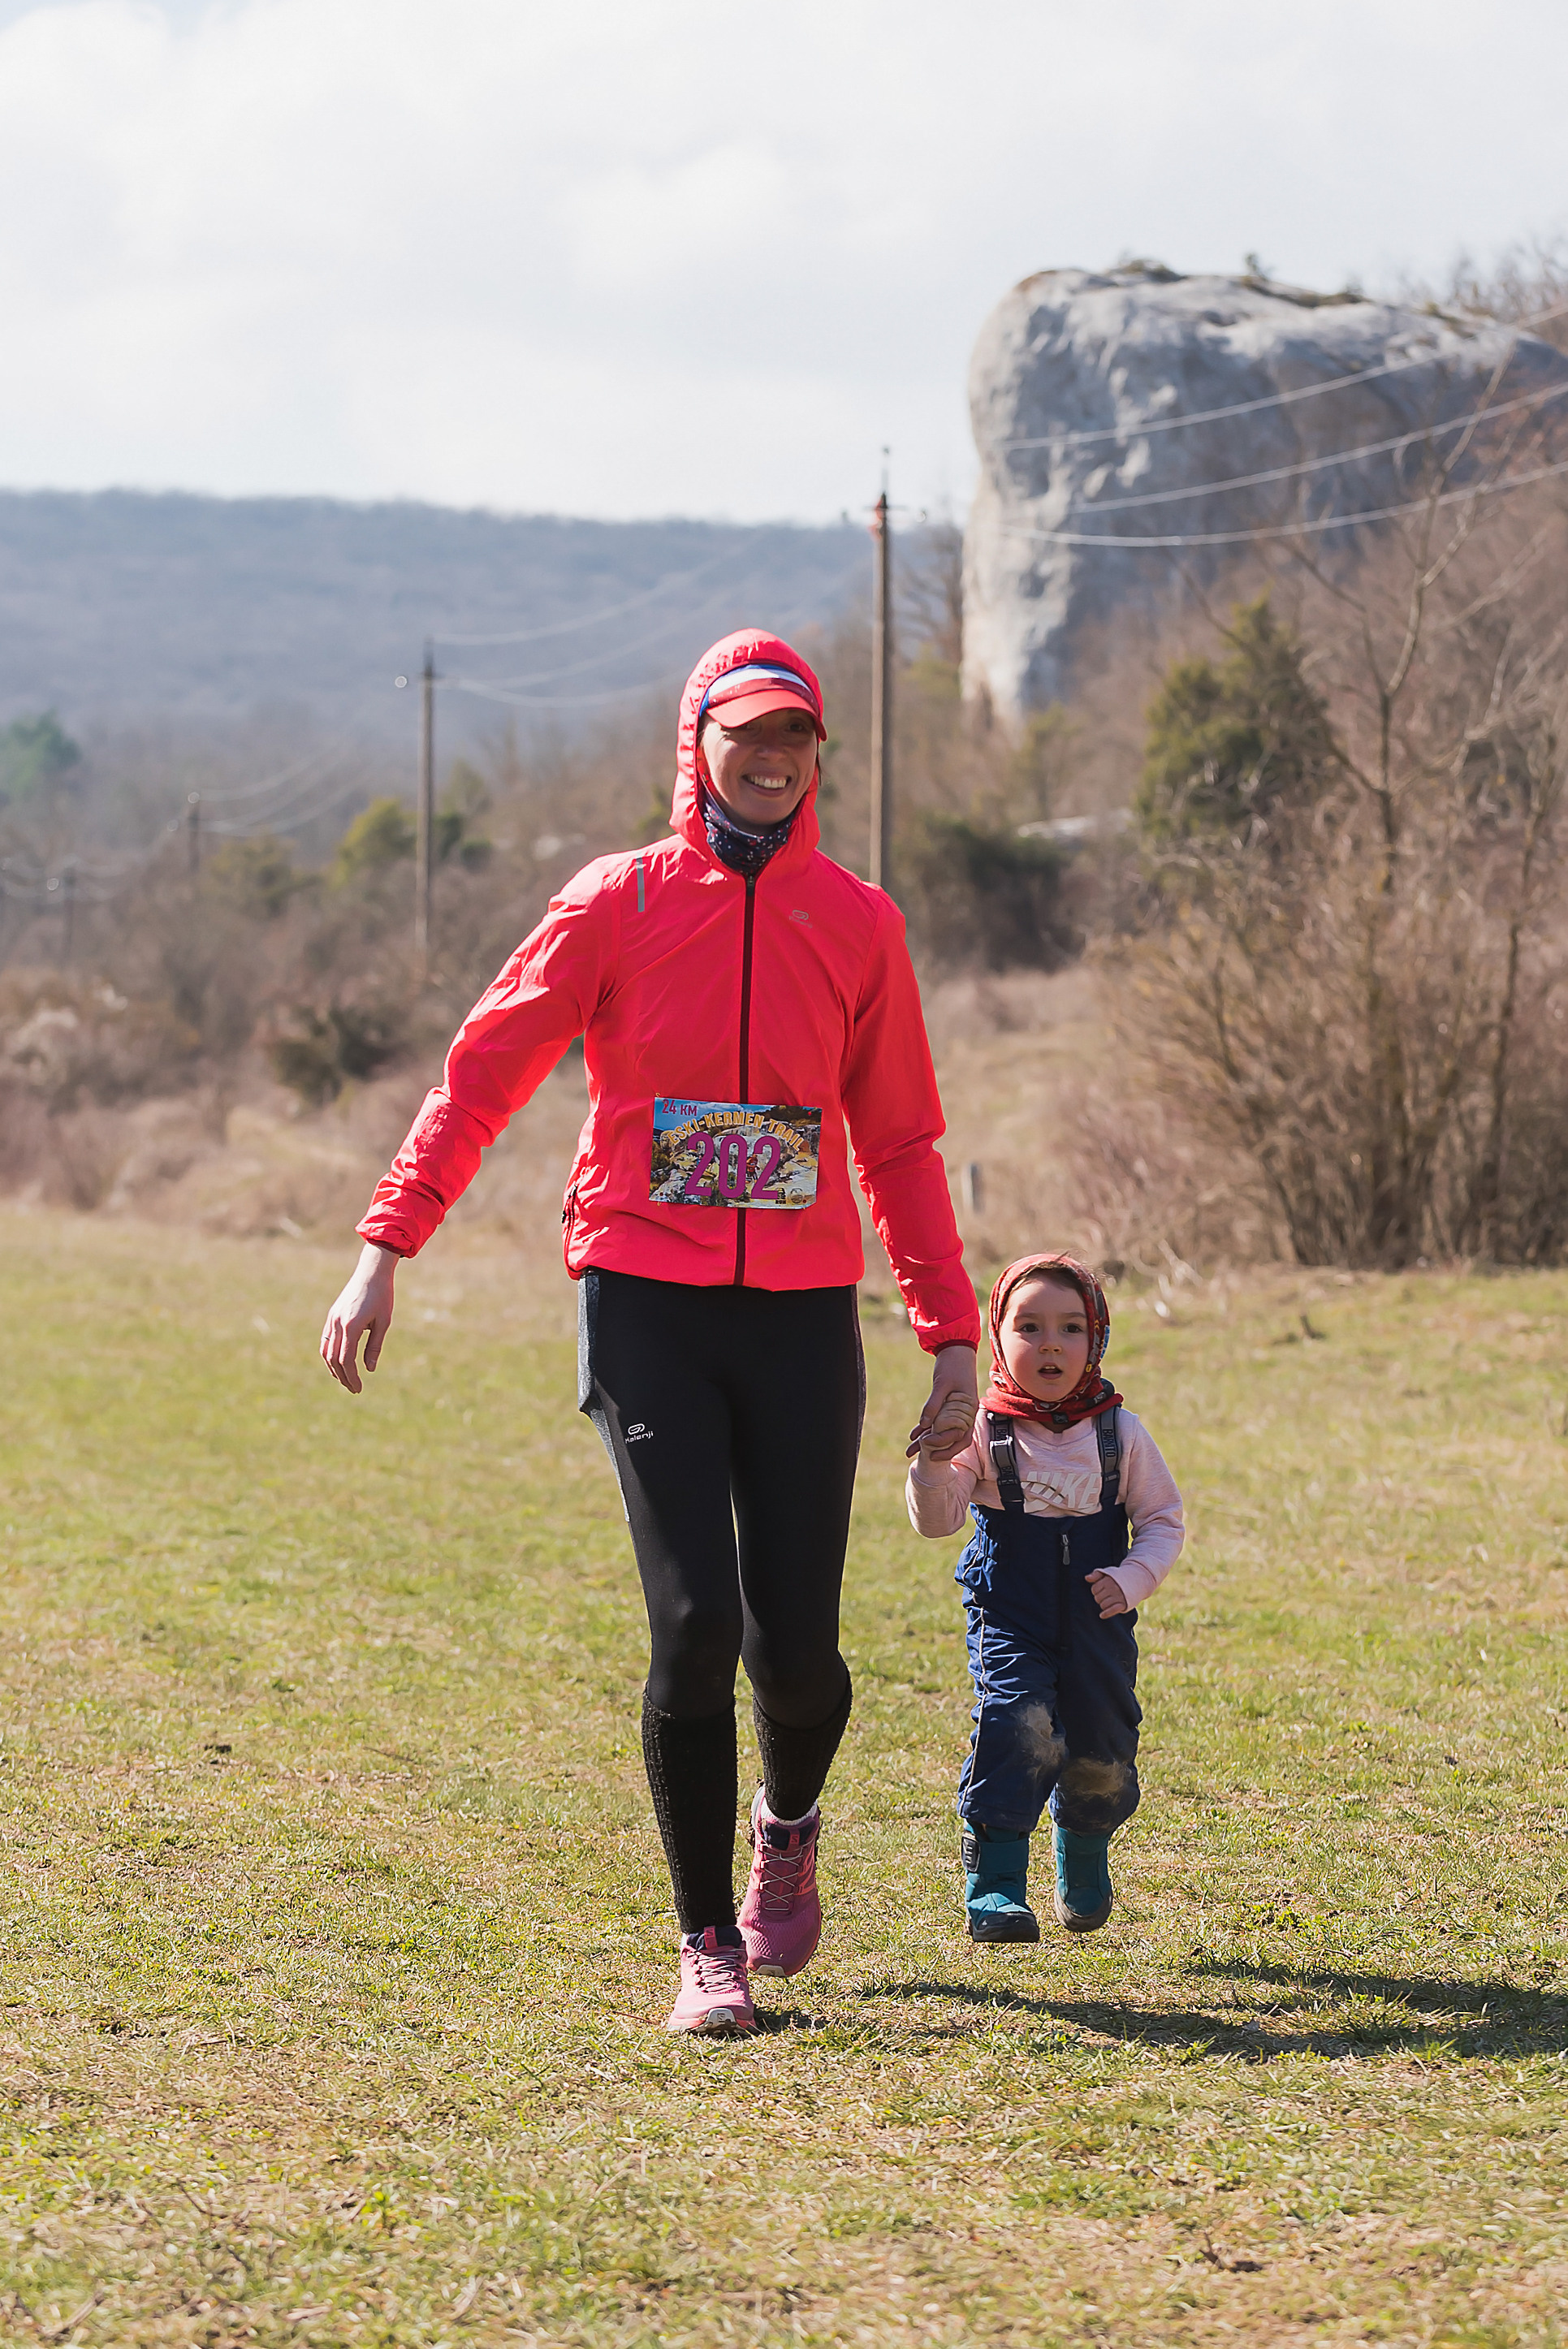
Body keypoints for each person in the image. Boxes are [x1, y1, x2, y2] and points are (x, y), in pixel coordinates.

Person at [321, 630, 980, 2034]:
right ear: (696, 744)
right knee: (696, 1622)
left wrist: (949, 1330)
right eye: (743, 732)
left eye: (793, 737)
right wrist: (386, 1245)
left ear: (816, 757)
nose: (769, 756)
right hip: (647, 1300)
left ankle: (786, 1819)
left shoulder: (859, 922)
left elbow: (904, 1138)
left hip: (802, 1316)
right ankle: (705, 1947)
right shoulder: (614, 902)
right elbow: (483, 1070)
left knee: (797, 1656)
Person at [905, 1253, 1183, 1942]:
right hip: (1009, 1606)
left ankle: (1082, 1852)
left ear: (1096, 1341)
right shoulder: (985, 1431)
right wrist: (931, 1464)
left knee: (1102, 1739)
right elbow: (938, 1521)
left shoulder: (1120, 1433)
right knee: (1016, 1717)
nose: (1050, 1344)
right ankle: (995, 1880)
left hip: (1097, 1614)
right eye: (1028, 1326)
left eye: (1069, 1328)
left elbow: (1161, 1521)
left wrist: (1131, 1578)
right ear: (996, 1339)